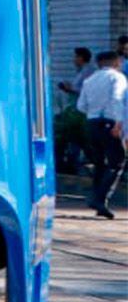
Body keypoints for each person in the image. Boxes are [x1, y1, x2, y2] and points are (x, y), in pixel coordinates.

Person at [76, 50, 128, 218]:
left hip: (92, 124)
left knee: (100, 163)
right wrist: (119, 122)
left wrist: (93, 113)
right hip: (110, 123)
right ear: (116, 63)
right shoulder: (117, 77)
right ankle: (100, 199)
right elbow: (117, 98)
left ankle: (98, 201)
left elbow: (81, 106)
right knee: (117, 162)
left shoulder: (89, 80)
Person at [58, 47, 98, 172]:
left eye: (76, 56)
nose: (74, 59)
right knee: (75, 136)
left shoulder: (89, 71)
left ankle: (92, 162)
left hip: (82, 111)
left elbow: (87, 91)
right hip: (75, 110)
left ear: (82, 57)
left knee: (80, 137)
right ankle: (73, 162)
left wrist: (70, 89)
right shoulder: (81, 71)